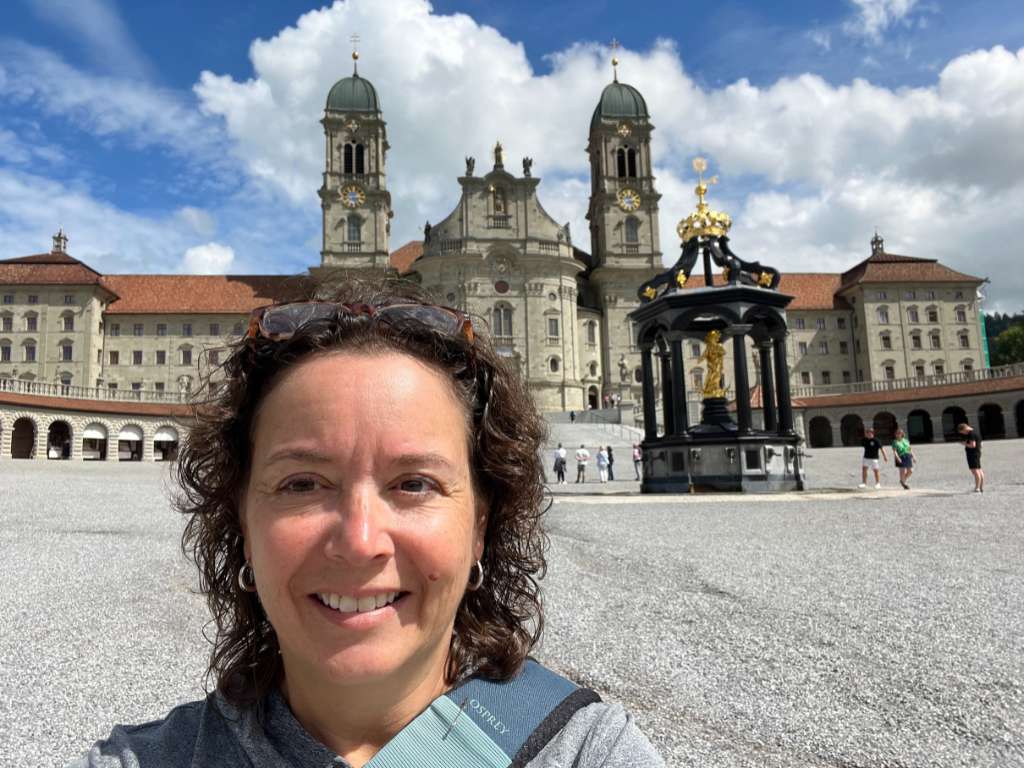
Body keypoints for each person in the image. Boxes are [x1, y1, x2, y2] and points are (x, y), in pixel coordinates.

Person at [71, 280, 663, 767]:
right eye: (302, 483)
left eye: (414, 484)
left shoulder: (588, 752)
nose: (358, 542)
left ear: (480, 525)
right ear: (242, 521)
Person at [958, 422, 985, 492]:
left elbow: (973, 445)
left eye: (962, 432)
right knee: (979, 469)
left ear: (964, 429)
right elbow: (981, 444)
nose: (963, 434)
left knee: (975, 470)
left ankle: (977, 488)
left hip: (972, 453)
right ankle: (981, 487)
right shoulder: (976, 432)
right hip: (977, 452)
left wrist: (964, 444)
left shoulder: (971, 434)